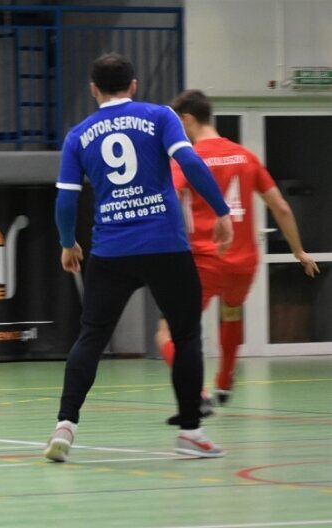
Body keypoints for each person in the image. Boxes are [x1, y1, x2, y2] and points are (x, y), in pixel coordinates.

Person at [44, 53, 234, 462]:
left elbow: (66, 199)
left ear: (93, 89)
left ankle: (65, 424)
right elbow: (189, 162)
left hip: (111, 250)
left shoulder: (78, 135)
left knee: (91, 336)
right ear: (133, 84)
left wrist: (67, 242)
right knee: (185, 336)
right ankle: (190, 431)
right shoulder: (161, 116)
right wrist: (221, 211)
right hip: (165, 246)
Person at [155, 89, 318, 413]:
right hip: (243, 263)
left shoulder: (189, 157)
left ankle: (197, 391)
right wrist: (299, 250)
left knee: (166, 332)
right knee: (231, 312)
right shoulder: (246, 156)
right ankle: (225, 381)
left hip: (206, 258)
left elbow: (169, 196)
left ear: (187, 118)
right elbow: (281, 207)